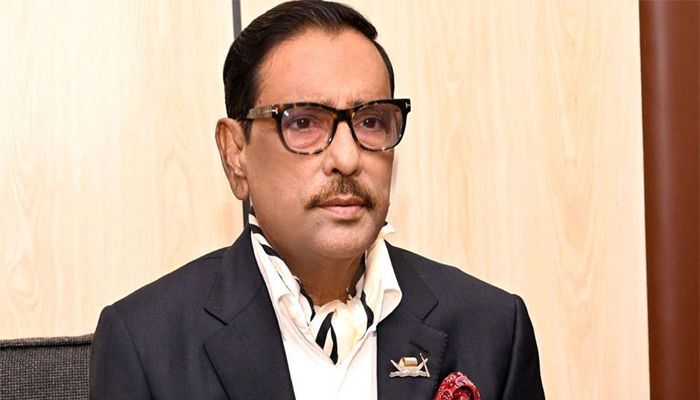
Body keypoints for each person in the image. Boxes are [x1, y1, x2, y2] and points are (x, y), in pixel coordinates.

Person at [89, 1, 545, 399]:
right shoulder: (146, 344)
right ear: (235, 154)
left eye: (370, 122)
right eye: (303, 122)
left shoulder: (492, 329)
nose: (347, 158)